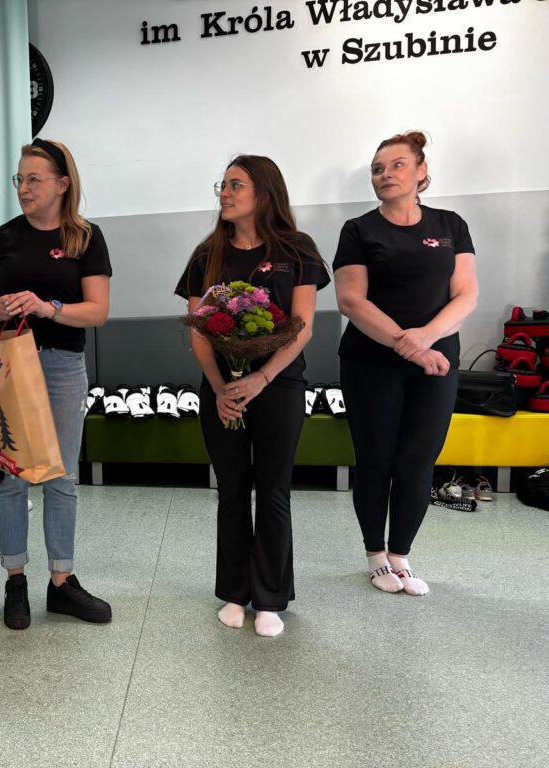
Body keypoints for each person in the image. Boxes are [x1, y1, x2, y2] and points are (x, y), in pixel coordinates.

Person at [175, 155, 329, 638]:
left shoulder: (297, 249)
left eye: (235, 185)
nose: (224, 192)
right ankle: (234, 592)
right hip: (222, 390)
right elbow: (198, 330)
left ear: (263, 192)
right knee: (233, 491)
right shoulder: (207, 255)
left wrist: (261, 378)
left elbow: (302, 327)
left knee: (274, 489)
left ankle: (270, 598)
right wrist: (220, 388)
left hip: (278, 385)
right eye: (222, 185)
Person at [0, 139, 112, 630]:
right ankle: (15, 582)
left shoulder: (86, 238)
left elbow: (97, 311)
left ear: (62, 184)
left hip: (63, 366)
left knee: (60, 476)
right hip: (8, 365)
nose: (24, 189)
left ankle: (61, 583)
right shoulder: (3, 238)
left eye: (34, 179)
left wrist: (48, 308)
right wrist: (4, 306)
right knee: (11, 476)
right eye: (20, 179)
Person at [334, 131, 478, 596]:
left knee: (418, 460)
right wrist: (409, 345)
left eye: (397, 165)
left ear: (421, 171)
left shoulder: (450, 224)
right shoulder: (358, 230)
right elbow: (351, 301)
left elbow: (466, 294)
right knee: (376, 458)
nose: (385, 174)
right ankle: (375, 555)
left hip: (437, 363)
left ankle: (400, 555)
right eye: (378, 169)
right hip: (370, 362)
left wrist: (427, 339)